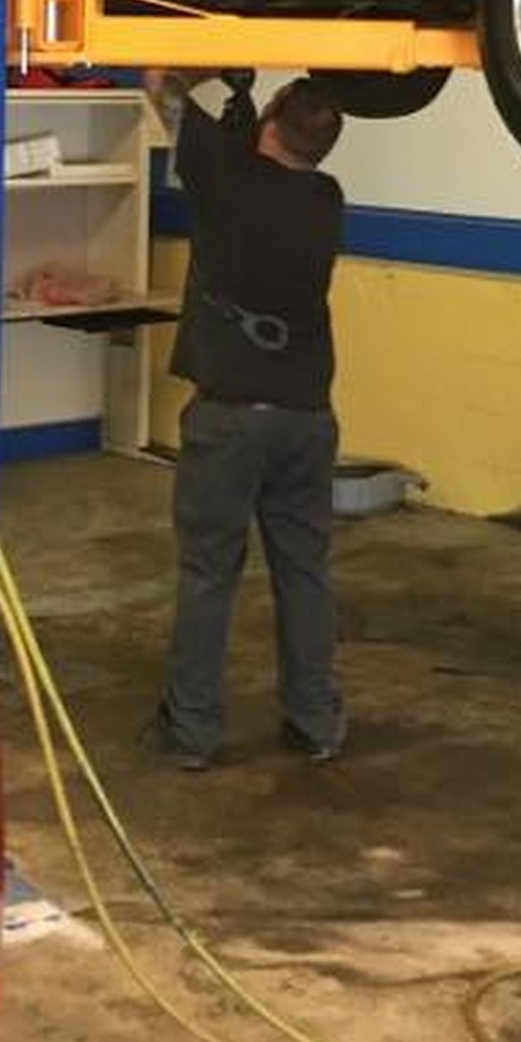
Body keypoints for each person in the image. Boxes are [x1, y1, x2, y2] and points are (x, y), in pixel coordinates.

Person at [144, 68, 347, 771]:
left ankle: (192, 731)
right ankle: (316, 722)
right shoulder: (326, 199)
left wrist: (218, 65)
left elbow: (158, 80)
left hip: (230, 420)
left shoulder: (225, 179)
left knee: (209, 574)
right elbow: (260, 166)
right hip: (306, 419)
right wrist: (243, 107)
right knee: (305, 571)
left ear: (270, 122)